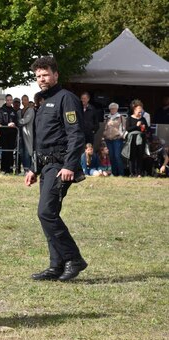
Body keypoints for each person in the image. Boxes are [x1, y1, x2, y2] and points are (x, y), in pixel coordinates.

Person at [25, 56, 87, 282]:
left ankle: (74, 259)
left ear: (56, 75)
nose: (41, 79)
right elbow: (42, 140)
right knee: (48, 214)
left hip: (61, 165)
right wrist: (34, 168)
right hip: (46, 165)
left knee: (46, 212)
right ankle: (56, 265)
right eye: (38, 76)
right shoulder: (41, 101)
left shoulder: (66, 99)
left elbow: (76, 134)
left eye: (45, 75)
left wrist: (70, 165)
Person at [124, 100, 149, 177]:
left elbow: (147, 129)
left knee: (140, 156)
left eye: (141, 109)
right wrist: (137, 126)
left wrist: (144, 128)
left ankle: (139, 173)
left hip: (141, 139)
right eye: (138, 109)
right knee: (132, 156)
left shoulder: (143, 119)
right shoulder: (129, 118)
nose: (140, 111)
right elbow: (128, 129)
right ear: (134, 110)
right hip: (132, 139)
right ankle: (132, 173)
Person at [102, 102, 126, 176]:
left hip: (117, 139)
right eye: (111, 108)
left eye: (114, 108)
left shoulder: (121, 117)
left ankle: (121, 173)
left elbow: (124, 128)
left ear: (117, 109)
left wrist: (121, 136)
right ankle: (114, 173)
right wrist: (104, 136)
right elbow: (105, 128)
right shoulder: (108, 118)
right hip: (108, 140)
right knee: (111, 157)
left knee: (117, 156)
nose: (112, 110)